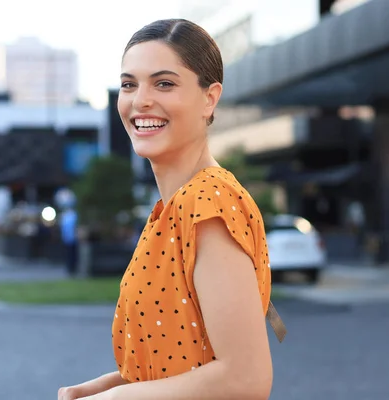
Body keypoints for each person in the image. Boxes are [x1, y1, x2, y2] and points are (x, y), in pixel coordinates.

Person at [59, 18, 284, 400]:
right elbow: (183, 358)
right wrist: (108, 384)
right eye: (129, 84)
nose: (140, 100)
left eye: (164, 83)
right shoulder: (172, 208)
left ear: (209, 98)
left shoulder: (208, 201)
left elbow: (246, 379)